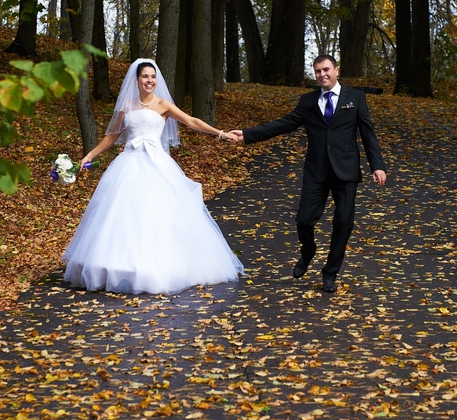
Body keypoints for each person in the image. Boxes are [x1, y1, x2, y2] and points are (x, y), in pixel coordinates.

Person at [61, 58, 245, 294]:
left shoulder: (163, 105)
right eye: (145, 76)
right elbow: (111, 136)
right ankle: (115, 266)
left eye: (153, 77)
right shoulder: (126, 106)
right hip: (128, 164)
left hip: (157, 165)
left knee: (158, 215)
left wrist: (220, 133)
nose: (149, 80)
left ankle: (159, 267)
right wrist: (89, 156)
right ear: (136, 80)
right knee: (123, 216)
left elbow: (190, 121)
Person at [230, 55, 386, 293]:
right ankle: (308, 252)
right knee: (304, 220)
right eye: (317, 71)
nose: (322, 74)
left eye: (326, 70)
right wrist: (248, 135)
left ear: (336, 70)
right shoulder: (308, 101)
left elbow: (367, 132)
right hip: (317, 171)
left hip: (346, 171)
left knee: (344, 222)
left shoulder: (355, 98)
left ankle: (330, 273)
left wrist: (377, 165)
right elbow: (284, 124)